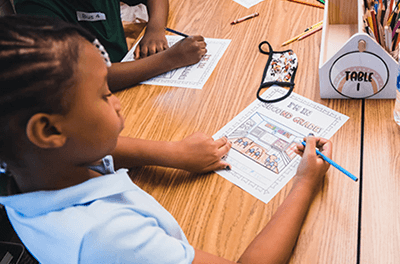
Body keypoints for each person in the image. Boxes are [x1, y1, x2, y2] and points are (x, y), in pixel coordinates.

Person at [0, 15, 332, 264]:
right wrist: (304, 182)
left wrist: (172, 153)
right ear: (50, 131)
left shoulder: (32, 171)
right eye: (104, 93)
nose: (115, 99)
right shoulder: (110, 239)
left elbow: (103, 150)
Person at [13, 0, 207, 92]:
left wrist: (155, 28)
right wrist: (170, 59)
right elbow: (81, 77)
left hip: (129, 69)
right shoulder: (35, 8)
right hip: (94, 93)